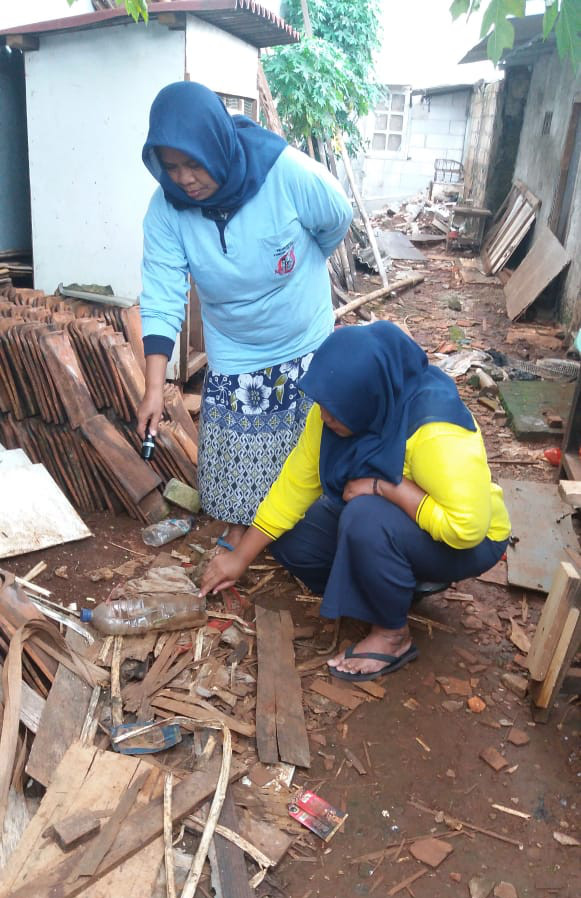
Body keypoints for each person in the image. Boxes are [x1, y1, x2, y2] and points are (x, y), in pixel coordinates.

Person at [200, 322, 511, 681]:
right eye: (323, 405)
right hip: (398, 522)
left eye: (336, 410)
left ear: (369, 398)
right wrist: (239, 558)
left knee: (365, 517)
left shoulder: (434, 428)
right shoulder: (336, 411)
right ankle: (386, 586)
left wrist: (387, 487)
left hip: (468, 540)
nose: (325, 416)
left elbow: (467, 528)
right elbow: (293, 488)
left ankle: (393, 635)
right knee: (292, 535)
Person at [137, 81, 352, 547]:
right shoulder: (168, 209)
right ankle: (246, 528)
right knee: (235, 457)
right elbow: (162, 292)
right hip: (235, 345)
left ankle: (299, 529)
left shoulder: (285, 173)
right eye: (171, 167)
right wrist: (155, 387)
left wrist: (301, 269)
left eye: (194, 162)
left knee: (307, 448)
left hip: (303, 336)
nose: (185, 178)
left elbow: (336, 217)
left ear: (217, 146)